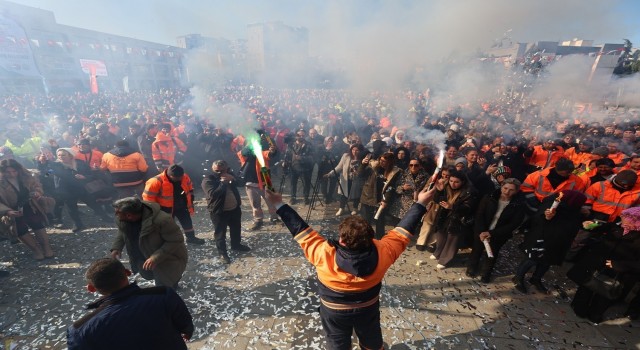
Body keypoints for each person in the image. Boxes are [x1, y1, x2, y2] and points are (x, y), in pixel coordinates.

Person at [264, 182, 434, 350]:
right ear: (370, 238)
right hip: (367, 306)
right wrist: (421, 203)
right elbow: (404, 230)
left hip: (334, 310)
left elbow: (299, 229)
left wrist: (278, 203)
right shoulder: (384, 251)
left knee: (337, 340)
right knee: (371, 337)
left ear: (342, 240)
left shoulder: (323, 253)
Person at [66, 258, 194, 350]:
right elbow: (185, 324)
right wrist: (186, 332)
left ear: (91, 289)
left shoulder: (79, 331)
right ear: (127, 273)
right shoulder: (163, 294)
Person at [568, 207, 640, 323]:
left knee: (605, 293)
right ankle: (579, 308)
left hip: (617, 271)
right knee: (587, 285)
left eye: (626, 217)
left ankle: (595, 314)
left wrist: (619, 265)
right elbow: (599, 227)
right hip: (597, 263)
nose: (622, 218)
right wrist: (588, 225)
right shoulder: (617, 226)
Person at [513, 190, 587, 293]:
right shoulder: (554, 204)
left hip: (558, 242)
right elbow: (539, 218)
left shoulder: (575, 211)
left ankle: (536, 278)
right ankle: (518, 277)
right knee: (532, 259)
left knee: (547, 262)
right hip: (542, 237)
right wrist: (547, 216)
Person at [110, 197, 188, 288]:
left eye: (117, 213)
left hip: (166, 258)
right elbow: (123, 231)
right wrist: (117, 247)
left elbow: (175, 240)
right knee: (149, 274)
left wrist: (155, 257)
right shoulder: (123, 220)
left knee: (165, 283)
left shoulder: (162, 220)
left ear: (129, 215)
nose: (115, 215)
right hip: (142, 256)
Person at [37, 148, 112, 232]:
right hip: (65, 190)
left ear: (70, 155)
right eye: (59, 155)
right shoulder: (56, 166)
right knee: (71, 208)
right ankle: (78, 224)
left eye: (63, 155)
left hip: (81, 188)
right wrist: (42, 164)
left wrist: (84, 177)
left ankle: (105, 217)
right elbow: (46, 175)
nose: (61, 157)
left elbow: (90, 174)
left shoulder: (80, 163)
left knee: (93, 203)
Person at [466, 178, 526, 283]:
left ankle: (486, 272)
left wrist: (491, 233)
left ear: (516, 191)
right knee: (477, 249)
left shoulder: (519, 204)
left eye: (511, 190)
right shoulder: (489, 197)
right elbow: (480, 214)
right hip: (482, 230)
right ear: (501, 187)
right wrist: (481, 231)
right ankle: (472, 267)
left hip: (499, 233)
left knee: (492, 253)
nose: (507, 192)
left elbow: (514, 224)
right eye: (505, 188)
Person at [0, 159, 54, 260]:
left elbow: (37, 186)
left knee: (38, 225)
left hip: (30, 205)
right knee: (20, 231)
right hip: (13, 211)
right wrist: (7, 211)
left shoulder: (27, 177)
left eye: (14, 171)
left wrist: (37, 192)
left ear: (18, 169)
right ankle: (36, 250)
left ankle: (47, 248)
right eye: (8, 172)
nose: (12, 174)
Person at [202, 160, 251, 264]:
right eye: (217, 171)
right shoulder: (208, 179)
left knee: (236, 228)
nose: (220, 173)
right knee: (220, 233)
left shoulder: (230, 174)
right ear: (213, 169)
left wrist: (232, 178)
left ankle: (236, 245)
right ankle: (222, 253)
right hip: (219, 211)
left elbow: (241, 183)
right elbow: (213, 194)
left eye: (222, 170)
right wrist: (223, 183)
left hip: (234, 208)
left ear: (227, 168)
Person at [142, 164, 205, 244]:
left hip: (182, 205)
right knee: (166, 226)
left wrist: (191, 198)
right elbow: (148, 199)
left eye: (180, 177)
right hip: (165, 208)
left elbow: (189, 188)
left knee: (187, 222)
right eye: (177, 178)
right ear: (170, 175)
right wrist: (155, 211)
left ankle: (191, 238)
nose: (179, 179)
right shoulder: (155, 181)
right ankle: (167, 242)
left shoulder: (184, 177)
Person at [429, 169, 479, 269]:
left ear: (463, 182)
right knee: (440, 236)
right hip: (444, 216)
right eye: (451, 181)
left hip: (458, 219)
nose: (453, 184)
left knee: (452, 240)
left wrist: (453, 207)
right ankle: (438, 252)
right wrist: (439, 192)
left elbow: (469, 208)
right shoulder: (446, 186)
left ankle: (445, 259)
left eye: (456, 182)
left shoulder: (469, 191)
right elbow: (437, 200)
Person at [358, 152, 402, 239]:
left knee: (380, 220)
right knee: (366, 220)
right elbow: (359, 175)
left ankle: (379, 238)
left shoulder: (394, 172)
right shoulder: (373, 166)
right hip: (368, 196)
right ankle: (365, 237)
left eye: (384, 161)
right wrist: (362, 165)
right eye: (380, 160)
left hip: (381, 198)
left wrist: (385, 200)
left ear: (390, 162)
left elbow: (391, 187)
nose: (381, 163)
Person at [237, 139, 279, 231]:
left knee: (271, 201)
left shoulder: (262, 153)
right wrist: (250, 144)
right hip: (250, 183)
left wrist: (272, 150)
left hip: (266, 181)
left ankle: (274, 217)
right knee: (255, 204)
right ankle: (258, 220)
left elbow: (269, 154)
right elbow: (244, 152)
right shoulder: (242, 153)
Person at [324, 144, 362, 216]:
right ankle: (341, 208)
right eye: (353, 150)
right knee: (344, 194)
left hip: (356, 179)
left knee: (356, 194)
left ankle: (355, 208)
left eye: (357, 150)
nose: (354, 152)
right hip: (346, 178)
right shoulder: (346, 156)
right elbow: (339, 166)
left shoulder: (362, 158)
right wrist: (330, 173)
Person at [283, 129, 314, 205]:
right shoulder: (291, 144)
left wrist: (302, 158)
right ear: (296, 136)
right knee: (293, 183)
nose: (301, 137)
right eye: (299, 135)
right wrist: (285, 162)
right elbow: (287, 154)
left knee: (306, 183)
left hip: (305, 168)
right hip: (293, 167)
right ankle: (293, 197)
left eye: (303, 135)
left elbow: (312, 157)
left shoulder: (309, 145)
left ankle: (306, 197)